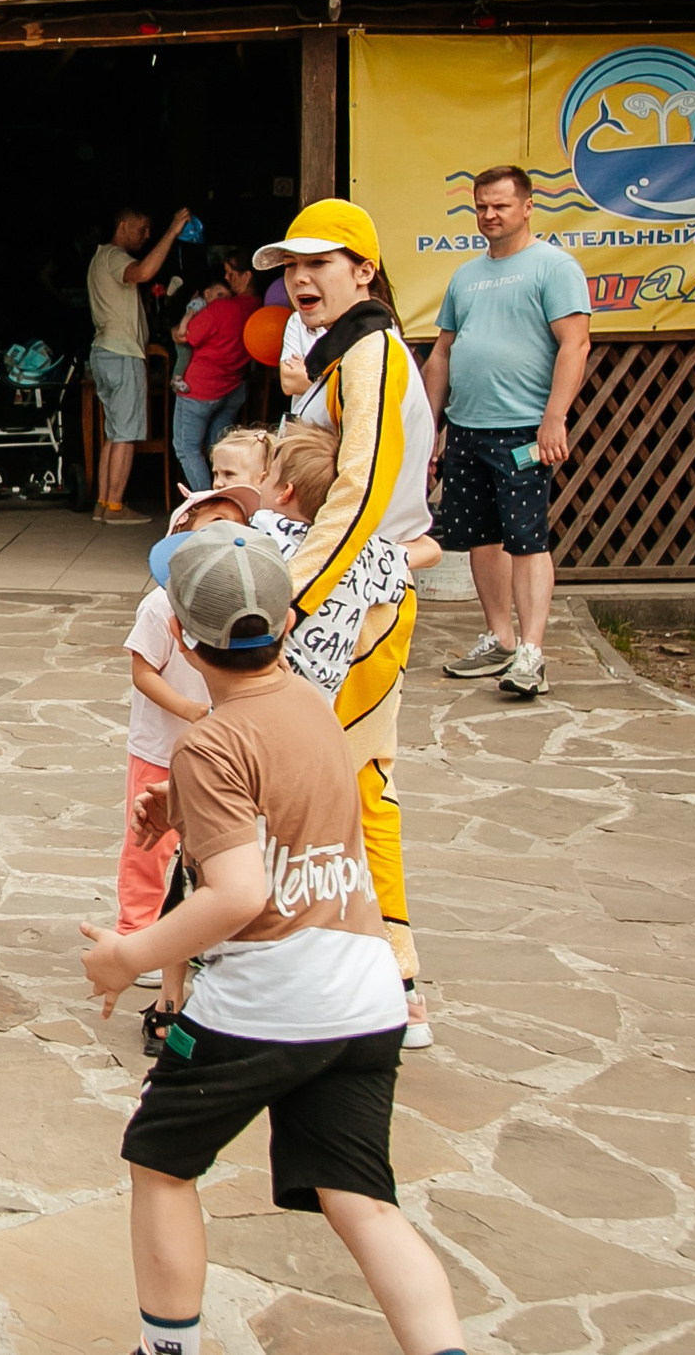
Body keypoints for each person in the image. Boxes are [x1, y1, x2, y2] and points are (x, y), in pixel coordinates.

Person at [80, 525, 465, 1355]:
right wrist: (177, 807)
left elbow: (239, 893)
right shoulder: (311, 708)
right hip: (364, 998)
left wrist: (128, 954)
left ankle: (167, 1346)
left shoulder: (212, 741)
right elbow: (279, 793)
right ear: (288, 623)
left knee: (161, 1162)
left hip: (266, 1002)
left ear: (180, 636)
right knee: (360, 1196)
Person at [253, 200, 438, 1049]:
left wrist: (286, 598)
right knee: (325, 785)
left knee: (358, 787)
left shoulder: (371, 352)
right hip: (343, 596)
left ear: (364, 271)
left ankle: (395, 980)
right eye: (291, 266)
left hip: (351, 605)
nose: (299, 278)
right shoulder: (342, 356)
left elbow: (362, 493)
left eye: (319, 263)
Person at [423, 166, 593, 700]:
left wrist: (554, 418)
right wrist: (431, 428)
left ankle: (531, 652)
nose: (490, 215)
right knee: (479, 537)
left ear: (526, 206)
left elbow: (576, 344)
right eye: (481, 206)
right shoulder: (465, 276)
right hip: (467, 430)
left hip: (523, 430)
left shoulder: (554, 267)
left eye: (500, 205)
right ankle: (498, 637)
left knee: (526, 538)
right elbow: (443, 352)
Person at [121, 484, 257, 1045]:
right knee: (148, 846)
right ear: (179, 539)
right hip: (161, 747)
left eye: (235, 526)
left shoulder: (237, 606)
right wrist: (192, 711)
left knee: (206, 849)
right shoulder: (159, 604)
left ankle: (198, 936)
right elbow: (142, 670)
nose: (222, 537)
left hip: (217, 753)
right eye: (209, 525)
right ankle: (137, 932)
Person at [259, 423, 432, 699]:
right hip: (320, 706)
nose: (260, 483)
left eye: (266, 479)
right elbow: (431, 550)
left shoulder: (264, 528)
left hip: (262, 687)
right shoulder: (362, 553)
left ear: (285, 492)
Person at [87, 205, 190, 525]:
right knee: (127, 434)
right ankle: (116, 506)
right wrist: (172, 230)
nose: (147, 235)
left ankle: (104, 504)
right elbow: (144, 272)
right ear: (123, 225)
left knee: (115, 434)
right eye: (143, 228)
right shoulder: (116, 257)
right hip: (121, 354)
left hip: (105, 351)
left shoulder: (99, 258)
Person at [171, 250, 259, 492]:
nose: (227, 278)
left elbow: (184, 335)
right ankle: (226, 500)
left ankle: (207, 503)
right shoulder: (257, 309)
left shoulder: (223, 308)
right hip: (233, 388)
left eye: (232, 274)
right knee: (219, 450)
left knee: (186, 447)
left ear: (247, 276)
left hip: (200, 390)